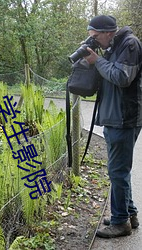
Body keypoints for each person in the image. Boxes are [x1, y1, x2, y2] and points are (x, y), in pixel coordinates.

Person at [84, 15, 142, 238]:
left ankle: (120, 223)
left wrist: (97, 61)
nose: (95, 41)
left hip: (124, 118)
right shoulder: (113, 46)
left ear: (108, 32)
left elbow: (121, 77)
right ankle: (129, 214)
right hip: (114, 117)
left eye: (96, 37)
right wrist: (94, 60)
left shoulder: (130, 44)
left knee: (117, 171)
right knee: (119, 171)